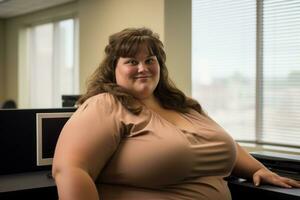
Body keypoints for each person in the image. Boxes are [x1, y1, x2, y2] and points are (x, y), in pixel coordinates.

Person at [52, 27, 300, 200]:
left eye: (150, 60)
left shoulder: (184, 105)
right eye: (131, 61)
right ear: (113, 68)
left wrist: (258, 169)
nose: (143, 68)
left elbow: (223, 144)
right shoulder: (106, 105)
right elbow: (71, 170)